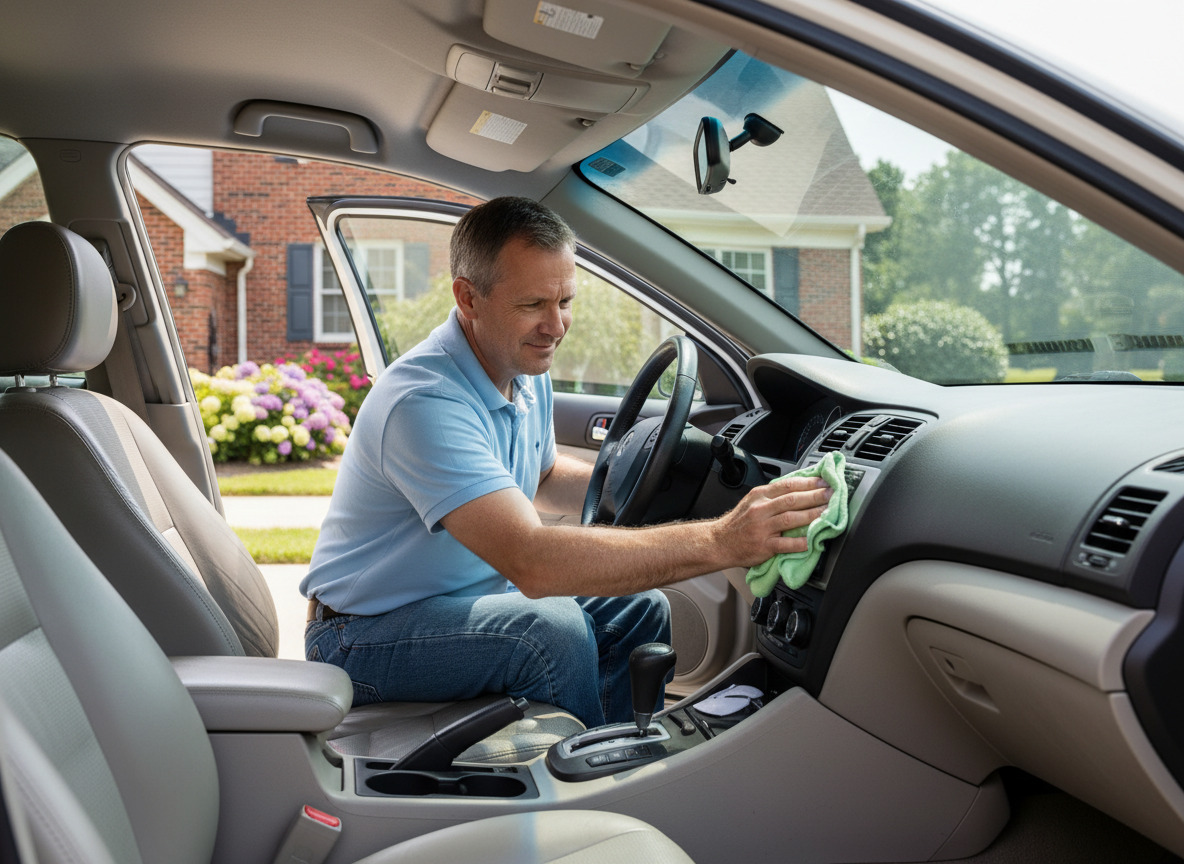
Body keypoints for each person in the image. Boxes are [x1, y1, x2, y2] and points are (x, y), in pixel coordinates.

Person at [300, 196, 831, 728]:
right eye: (533, 305)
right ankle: (580, 782)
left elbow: (545, 476)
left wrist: (640, 481)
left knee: (641, 608)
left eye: (565, 301)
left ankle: (619, 748)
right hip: (359, 636)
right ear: (468, 297)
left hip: (456, 607)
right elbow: (530, 561)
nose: (556, 326)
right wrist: (721, 540)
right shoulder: (424, 402)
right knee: (549, 631)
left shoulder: (523, 368)